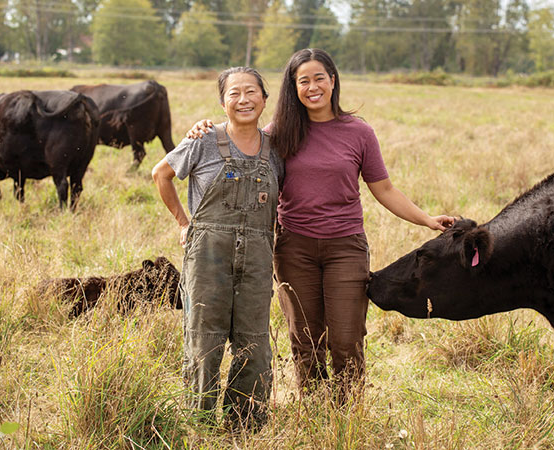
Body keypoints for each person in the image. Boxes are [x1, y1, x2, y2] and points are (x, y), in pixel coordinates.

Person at [186, 48, 455, 402]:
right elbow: (240, 139)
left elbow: (385, 189)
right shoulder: (279, 133)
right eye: (303, 81)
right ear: (293, 88)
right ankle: (314, 411)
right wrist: (205, 128)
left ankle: (346, 416)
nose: (312, 87)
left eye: (319, 78)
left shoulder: (359, 132)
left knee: (346, 337)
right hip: (294, 248)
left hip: (346, 247)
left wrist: (427, 220)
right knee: (305, 338)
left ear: (333, 81)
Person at [152, 66, 284, 429]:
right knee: (204, 338)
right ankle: (200, 420)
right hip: (208, 252)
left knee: (254, 341)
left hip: (258, 254)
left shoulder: (277, 149)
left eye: (251, 92)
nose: (243, 100)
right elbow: (160, 174)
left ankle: (245, 422)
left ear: (264, 99)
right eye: (234, 93)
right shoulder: (204, 139)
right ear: (222, 102)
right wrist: (183, 221)